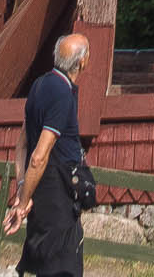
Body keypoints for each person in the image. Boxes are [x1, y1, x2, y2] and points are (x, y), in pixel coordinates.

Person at [5, 31, 90, 277]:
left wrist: (23, 189)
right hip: (57, 200)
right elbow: (38, 155)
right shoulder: (62, 94)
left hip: (41, 198)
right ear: (82, 62)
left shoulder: (39, 84)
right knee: (63, 270)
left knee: (45, 268)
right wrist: (22, 203)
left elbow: (21, 144)